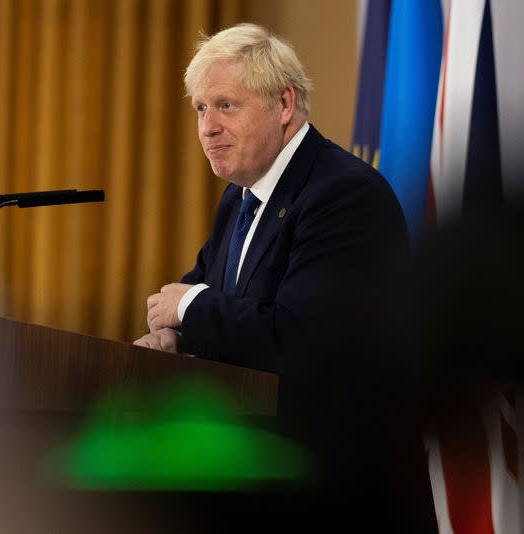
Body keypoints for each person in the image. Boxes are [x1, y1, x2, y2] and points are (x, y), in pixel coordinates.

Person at [134, 23, 436, 531]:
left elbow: (298, 339)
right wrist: (173, 337)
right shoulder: (240, 198)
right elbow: (202, 294)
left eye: (226, 105)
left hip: (343, 499)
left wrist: (188, 309)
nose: (207, 127)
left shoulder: (343, 196)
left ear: (284, 105)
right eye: (201, 109)